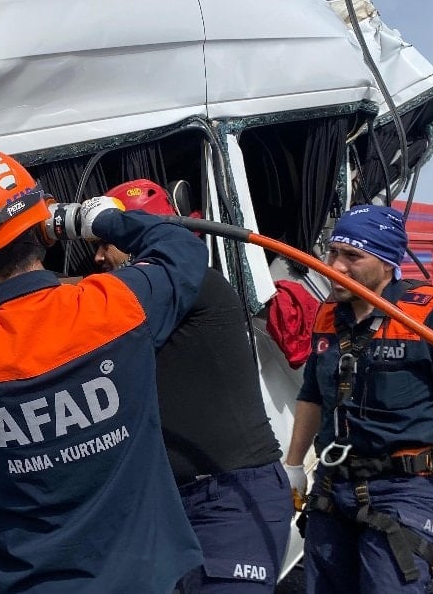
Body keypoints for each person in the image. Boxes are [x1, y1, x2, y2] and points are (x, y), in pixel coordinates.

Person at [0, 147, 207, 593]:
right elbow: (181, 248)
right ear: (41, 231)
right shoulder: (115, 306)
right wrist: (98, 221)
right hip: (150, 577)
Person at [283, 204, 433, 593]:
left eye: (353, 256)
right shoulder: (328, 314)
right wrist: (294, 464)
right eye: (333, 252)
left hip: (405, 491)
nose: (337, 265)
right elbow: (312, 394)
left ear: (387, 263)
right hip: (333, 490)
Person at [95, 179, 293, 592]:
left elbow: (74, 298)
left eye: (108, 240)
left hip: (231, 500)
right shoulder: (134, 305)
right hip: (171, 506)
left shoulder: (199, 287)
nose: (97, 257)